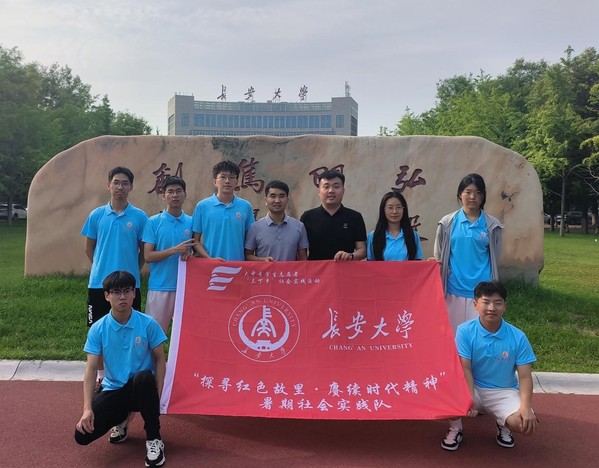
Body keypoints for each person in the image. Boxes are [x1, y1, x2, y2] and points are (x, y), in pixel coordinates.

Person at [74, 271, 168, 467]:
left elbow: (160, 359)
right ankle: (122, 419)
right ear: (107, 296)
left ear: (134, 293)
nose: (123, 297)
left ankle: (154, 438)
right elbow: (91, 369)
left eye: (127, 291)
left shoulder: (148, 324)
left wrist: (157, 395)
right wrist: (87, 409)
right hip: (114, 389)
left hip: (141, 389)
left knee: (144, 378)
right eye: (116, 292)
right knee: (82, 435)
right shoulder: (98, 329)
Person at [441, 281, 538, 451]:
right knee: (443, 394)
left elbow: (524, 377)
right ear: (475, 305)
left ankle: (503, 424)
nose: (492, 308)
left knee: (525, 425)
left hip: (503, 391)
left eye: (497, 303)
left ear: (505, 306)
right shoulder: (464, 331)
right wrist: (469, 397)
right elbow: (465, 368)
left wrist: (526, 407)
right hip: (473, 387)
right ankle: (456, 429)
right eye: (486, 302)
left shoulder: (518, 337)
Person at [81, 166, 147, 384]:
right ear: (108, 185)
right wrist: (101, 268)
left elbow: (143, 252)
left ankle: (126, 374)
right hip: (99, 285)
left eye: (125, 183)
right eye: (116, 182)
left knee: (130, 331)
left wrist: (132, 271)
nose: (120, 187)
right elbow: (89, 248)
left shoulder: (139, 217)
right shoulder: (97, 215)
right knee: (99, 331)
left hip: (130, 286)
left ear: (131, 187)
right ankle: (102, 376)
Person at [433, 173, 503, 334]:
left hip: (482, 291)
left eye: (478, 193)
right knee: (452, 333)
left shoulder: (492, 225)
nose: (472, 197)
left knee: (479, 334)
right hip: (453, 289)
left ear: (483, 197)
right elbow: (439, 255)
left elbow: (496, 256)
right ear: (460, 194)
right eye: (468, 192)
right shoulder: (447, 223)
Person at [143, 177, 195, 333]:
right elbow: (148, 256)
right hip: (160, 287)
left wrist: (190, 255)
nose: (175, 195)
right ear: (163, 196)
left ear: (185, 195)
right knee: (154, 334)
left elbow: (197, 250)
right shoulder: (153, 222)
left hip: (186, 288)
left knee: (187, 334)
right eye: (170, 192)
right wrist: (174, 250)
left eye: (179, 191)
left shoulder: (192, 222)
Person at [191, 160, 254, 261]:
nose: (227, 181)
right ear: (215, 181)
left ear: (237, 182)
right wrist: (209, 259)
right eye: (223, 177)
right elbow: (195, 240)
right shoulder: (202, 206)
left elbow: (250, 240)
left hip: (238, 265)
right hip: (212, 266)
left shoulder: (245, 206)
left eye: (232, 177)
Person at [300, 170, 367, 261]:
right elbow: (301, 251)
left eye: (336, 187)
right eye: (326, 187)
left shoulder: (355, 217)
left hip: (346, 268)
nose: (331, 191)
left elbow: (362, 250)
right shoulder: (308, 217)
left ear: (343, 191)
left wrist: (350, 256)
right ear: (319, 191)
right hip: (317, 269)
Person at [244, 180, 309, 261]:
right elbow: (247, 256)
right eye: (273, 196)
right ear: (265, 200)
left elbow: (303, 259)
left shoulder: (299, 226)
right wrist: (262, 260)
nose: (277, 201)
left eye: (281, 196)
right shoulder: (255, 228)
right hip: (265, 270)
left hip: (290, 270)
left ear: (287, 200)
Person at [367, 191, 423, 261]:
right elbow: (370, 264)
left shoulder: (413, 235)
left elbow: (418, 262)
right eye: (390, 208)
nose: (394, 211)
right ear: (383, 210)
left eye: (398, 207)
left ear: (404, 210)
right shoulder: (373, 236)